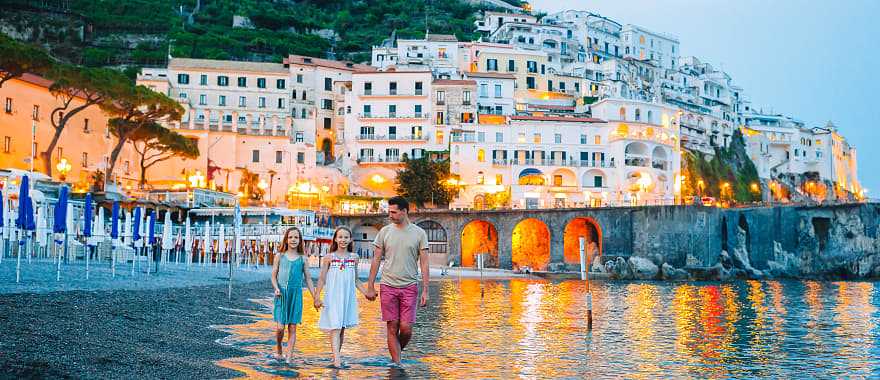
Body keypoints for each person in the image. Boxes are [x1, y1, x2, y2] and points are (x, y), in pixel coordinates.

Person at [364, 196, 430, 366]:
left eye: (393, 212)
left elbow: (424, 262)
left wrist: (425, 290)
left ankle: (396, 353)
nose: (390, 215)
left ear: (404, 211)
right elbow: (376, 259)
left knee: (406, 329)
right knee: (392, 326)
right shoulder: (384, 232)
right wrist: (370, 285)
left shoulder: (419, 233)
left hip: (410, 286)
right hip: (388, 285)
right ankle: (397, 365)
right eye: (389, 211)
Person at [314, 226, 367, 368]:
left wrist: (366, 293)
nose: (343, 240)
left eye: (346, 237)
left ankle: (335, 357)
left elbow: (356, 280)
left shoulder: (354, 258)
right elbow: (322, 279)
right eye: (340, 237)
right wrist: (317, 297)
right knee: (336, 327)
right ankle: (337, 361)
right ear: (336, 239)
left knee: (342, 328)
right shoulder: (329, 257)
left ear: (350, 239)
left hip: (347, 298)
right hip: (333, 297)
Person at [271, 227, 317, 362]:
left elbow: (308, 278)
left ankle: (289, 358)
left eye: (296, 237)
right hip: (281, 294)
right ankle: (279, 347)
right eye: (290, 237)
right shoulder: (279, 256)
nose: (293, 240)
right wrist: (276, 288)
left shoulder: (303, 258)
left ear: (300, 240)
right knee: (280, 328)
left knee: (292, 327)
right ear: (286, 239)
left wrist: (315, 296)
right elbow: (273, 276)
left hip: (296, 295)